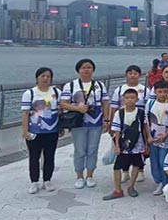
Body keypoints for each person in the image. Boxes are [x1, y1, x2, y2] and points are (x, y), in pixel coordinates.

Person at [60, 59, 110, 189]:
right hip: (78, 123)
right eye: (83, 67)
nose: (86, 70)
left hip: (96, 122)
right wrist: (77, 108)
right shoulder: (71, 85)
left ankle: (90, 175)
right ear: (78, 70)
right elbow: (63, 103)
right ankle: (79, 176)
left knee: (93, 149)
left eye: (89, 67)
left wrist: (106, 120)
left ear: (93, 70)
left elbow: (105, 103)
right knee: (80, 150)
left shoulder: (100, 85)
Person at [21, 67, 62, 194]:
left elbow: (60, 111)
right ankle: (34, 181)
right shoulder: (29, 93)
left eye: (48, 76)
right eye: (43, 76)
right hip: (35, 132)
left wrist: (60, 127)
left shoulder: (56, 92)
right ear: (37, 77)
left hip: (52, 131)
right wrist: (25, 131)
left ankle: (47, 180)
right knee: (34, 157)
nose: (45, 78)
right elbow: (25, 113)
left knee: (50, 156)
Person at [103, 89, 150, 200]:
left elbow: (144, 127)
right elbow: (117, 130)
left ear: (137, 99)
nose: (130, 100)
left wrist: (147, 141)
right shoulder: (119, 113)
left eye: (132, 98)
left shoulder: (141, 113)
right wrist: (117, 146)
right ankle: (118, 190)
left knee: (136, 165)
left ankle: (131, 186)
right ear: (123, 100)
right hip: (123, 145)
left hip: (138, 144)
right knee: (117, 167)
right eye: (127, 98)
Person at [109, 65, 147, 184]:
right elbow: (114, 107)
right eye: (130, 73)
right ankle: (125, 172)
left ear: (139, 75)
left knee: (138, 147)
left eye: (135, 73)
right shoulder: (120, 89)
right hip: (123, 122)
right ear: (126, 75)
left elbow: (148, 107)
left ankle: (140, 170)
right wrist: (110, 124)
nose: (132, 75)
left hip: (138, 121)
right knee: (123, 146)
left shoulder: (145, 89)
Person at [146, 81, 168, 196]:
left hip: (165, 138)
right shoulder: (150, 103)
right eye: (160, 92)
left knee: (164, 160)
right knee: (154, 160)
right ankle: (158, 181)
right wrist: (148, 136)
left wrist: (166, 135)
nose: (162, 94)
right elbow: (146, 120)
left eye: (165, 92)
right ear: (155, 92)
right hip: (153, 137)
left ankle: (165, 183)